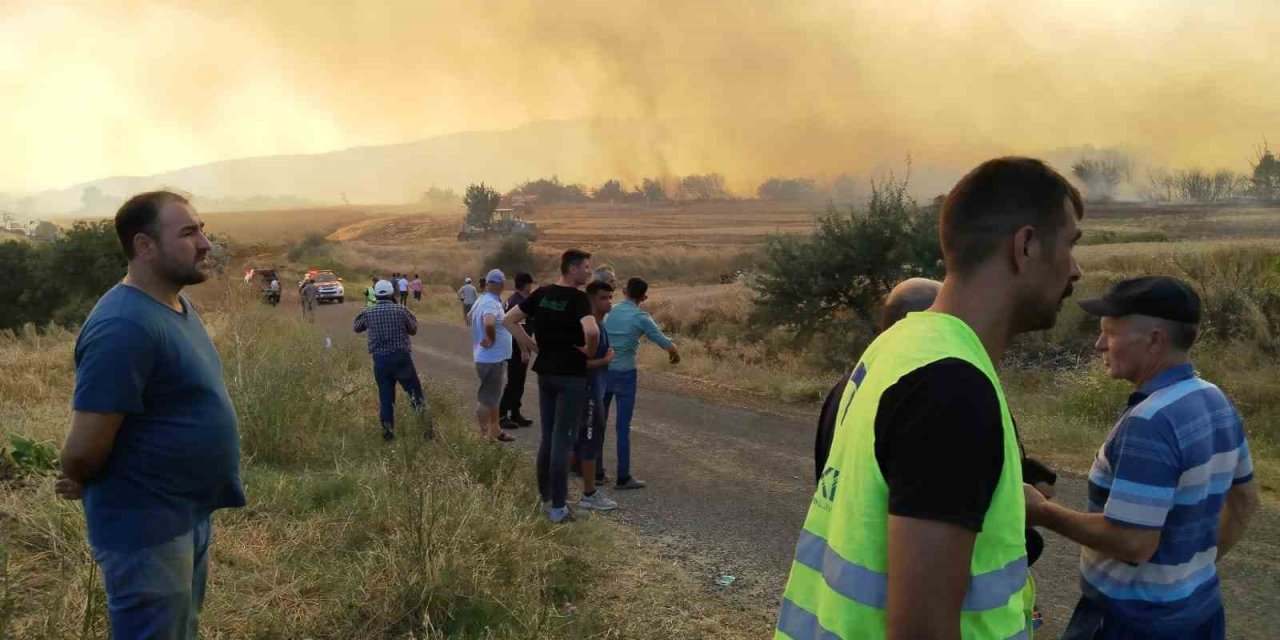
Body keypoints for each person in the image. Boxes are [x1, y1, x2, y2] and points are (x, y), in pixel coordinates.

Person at [776, 157, 1084, 640]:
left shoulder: (899, 348)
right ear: (1025, 246)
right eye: (1070, 244)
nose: (1076, 269)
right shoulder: (951, 388)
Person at [55, 190, 245, 639]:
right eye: (188, 232)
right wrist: (76, 472)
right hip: (147, 530)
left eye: (202, 229)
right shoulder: (122, 327)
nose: (205, 243)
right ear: (144, 246)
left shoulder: (174, 305)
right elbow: (83, 451)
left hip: (183, 516)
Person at [1025, 276, 1259, 640]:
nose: (1099, 345)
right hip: (1201, 613)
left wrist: (1043, 512)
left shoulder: (1150, 422)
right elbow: (1245, 500)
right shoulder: (1215, 399)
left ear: (1154, 340)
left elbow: (1133, 542)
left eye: (1111, 333)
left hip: (1130, 623)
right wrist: (1186, 574)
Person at [503, 249, 599, 524]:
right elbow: (592, 331)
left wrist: (530, 345)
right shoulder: (579, 299)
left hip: (545, 373)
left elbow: (508, 319)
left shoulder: (542, 293)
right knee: (563, 440)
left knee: (548, 438)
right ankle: (558, 508)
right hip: (570, 375)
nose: (588, 272)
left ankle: (545, 499)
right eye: (585, 267)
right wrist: (588, 352)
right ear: (571, 269)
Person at [600, 277, 680, 490]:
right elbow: (662, 340)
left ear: (624, 290)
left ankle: (596, 470)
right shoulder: (641, 317)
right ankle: (623, 476)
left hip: (604, 371)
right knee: (622, 427)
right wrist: (674, 353)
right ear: (644, 297)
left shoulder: (610, 311)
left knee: (599, 422)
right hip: (625, 373)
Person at [353, 279, 427, 441]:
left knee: (386, 398)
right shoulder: (400, 310)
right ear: (392, 293)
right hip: (401, 359)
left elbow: (357, 326)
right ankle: (426, 430)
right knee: (415, 395)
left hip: (380, 361)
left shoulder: (369, 312)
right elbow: (413, 329)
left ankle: (388, 434)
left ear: (376, 295)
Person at [573, 280, 619, 511]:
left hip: (596, 391)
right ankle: (589, 494)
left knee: (583, 440)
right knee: (590, 441)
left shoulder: (600, 326)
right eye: (603, 298)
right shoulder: (590, 329)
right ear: (591, 299)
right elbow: (580, 364)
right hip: (589, 393)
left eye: (610, 297)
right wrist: (606, 360)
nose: (609, 302)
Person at [471, 269, 516, 443]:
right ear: (497, 284)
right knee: (486, 399)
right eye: (502, 282)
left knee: (493, 397)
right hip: (490, 358)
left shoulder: (481, 300)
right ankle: (483, 437)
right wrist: (491, 338)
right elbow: (489, 321)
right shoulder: (490, 302)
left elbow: (469, 318)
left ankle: (495, 431)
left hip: (489, 357)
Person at [499, 272, 536, 429]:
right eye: (531, 284)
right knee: (514, 381)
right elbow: (518, 327)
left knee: (518, 380)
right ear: (526, 284)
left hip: (514, 346)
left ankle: (515, 412)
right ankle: (502, 414)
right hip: (516, 347)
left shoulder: (511, 299)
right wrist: (524, 350)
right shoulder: (518, 302)